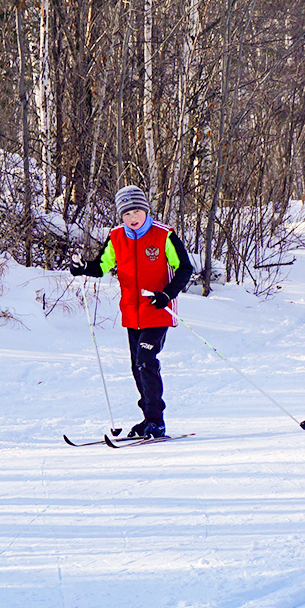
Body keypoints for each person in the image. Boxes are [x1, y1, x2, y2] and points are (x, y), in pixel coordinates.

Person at [69, 185, 194, 439]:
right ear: (120, 216)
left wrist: (167, 294)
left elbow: (185, 269)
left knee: (146, 361)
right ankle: (148, 419)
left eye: (137, 211)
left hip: (157, 310)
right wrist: (82, 267)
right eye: (127, 213)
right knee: (137, 365)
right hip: (131, 314)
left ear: (145, 210)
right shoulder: (116, 237)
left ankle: (157, 422)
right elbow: (101, 267)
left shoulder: (163, 235)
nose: (133, 217)